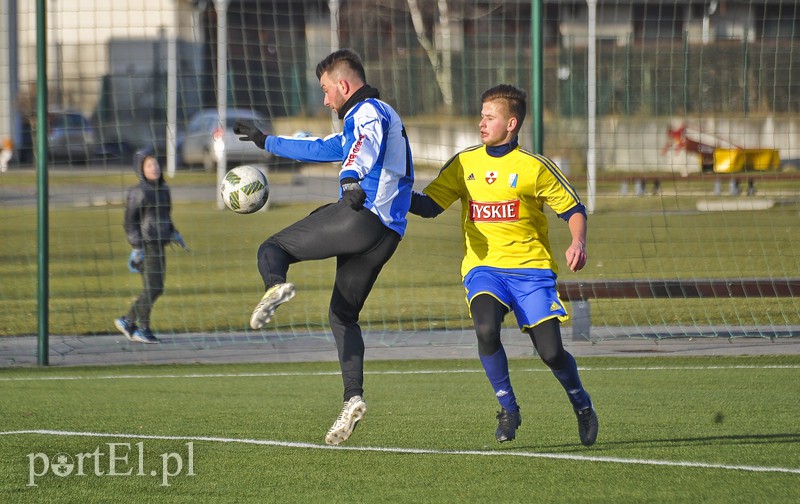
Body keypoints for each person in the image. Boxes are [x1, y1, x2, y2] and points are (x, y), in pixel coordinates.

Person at [234, 49, 414, 445]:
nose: (324, 99)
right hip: (387, 235)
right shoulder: (378, 115)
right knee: (342, 315)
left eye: (325, 90)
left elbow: (361, 146)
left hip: (359, 216)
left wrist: (350, 178)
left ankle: (275, 284)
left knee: (272, 248)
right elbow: (321, 147)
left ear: (343, 85)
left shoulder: (367, 111)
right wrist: (267, 141)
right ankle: (353, 399)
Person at [409, 84, 598, 446]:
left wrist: (578, 241)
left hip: (531, 271)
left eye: (489, 116)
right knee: (485, 329)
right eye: (481, 115)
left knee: (551, 353)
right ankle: (508, 408)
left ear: (511, 123)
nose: (481, 122)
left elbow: (573, 210)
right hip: (484, 269)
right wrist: (393, 196)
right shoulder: (465, 163)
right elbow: (430, 205)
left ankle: (582, 404)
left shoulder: (534, 167)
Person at [115, 151, 188, 344]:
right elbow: (130, 223)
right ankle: (128, 319)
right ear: (141, 169)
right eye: (149, 165)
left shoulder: (164, 190)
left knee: (150, 288)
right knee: (155, 288)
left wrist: (174, 233)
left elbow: (165, 217)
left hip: (160, 244)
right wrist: (137, 248)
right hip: (147, 245)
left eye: (155, 164)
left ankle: (143, 329)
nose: (154, 168)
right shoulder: (138, 192)